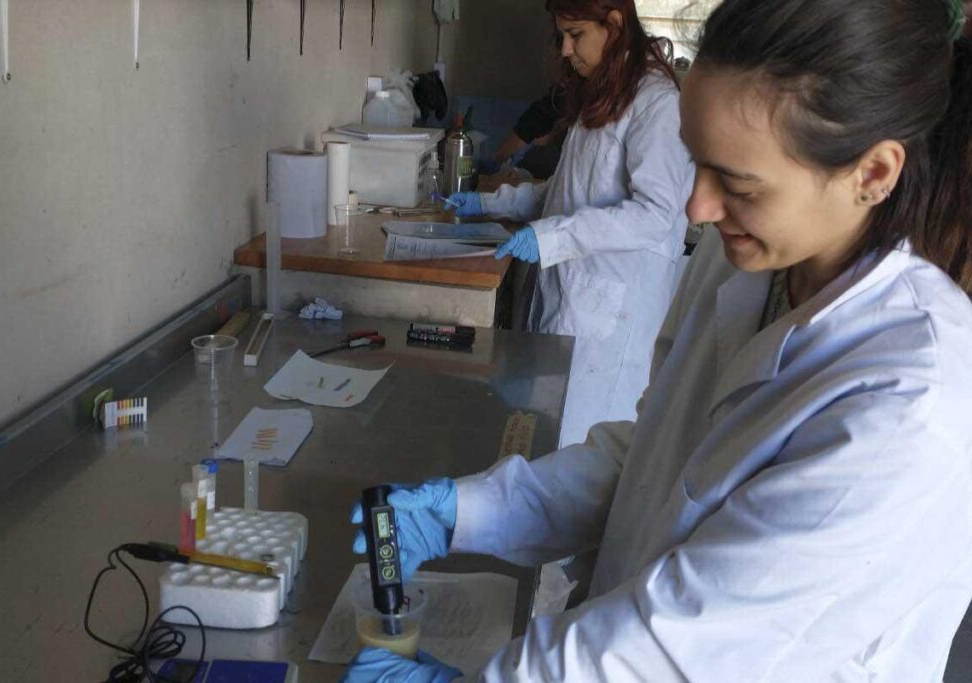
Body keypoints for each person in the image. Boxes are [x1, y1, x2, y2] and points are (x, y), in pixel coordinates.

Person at [343, 0, 972, 680]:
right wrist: (472, 511)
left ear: (872, 174)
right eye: (698, 161)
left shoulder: (911, 403)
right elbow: (654, 455)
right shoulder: (741, 262)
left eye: (738, 183)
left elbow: (682, 650)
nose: (697, 207)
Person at [450, 0, 694, 448]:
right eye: (561, 35)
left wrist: (552, 237)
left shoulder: (656, 103)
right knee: (544, 441)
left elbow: (655, 215)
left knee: (580, 447)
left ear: (614, 25)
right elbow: (568, 190)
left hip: (607, 320)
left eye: (576, 34)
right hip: (569, 301)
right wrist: (490, 201)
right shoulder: (604, 90)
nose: (565, 49)